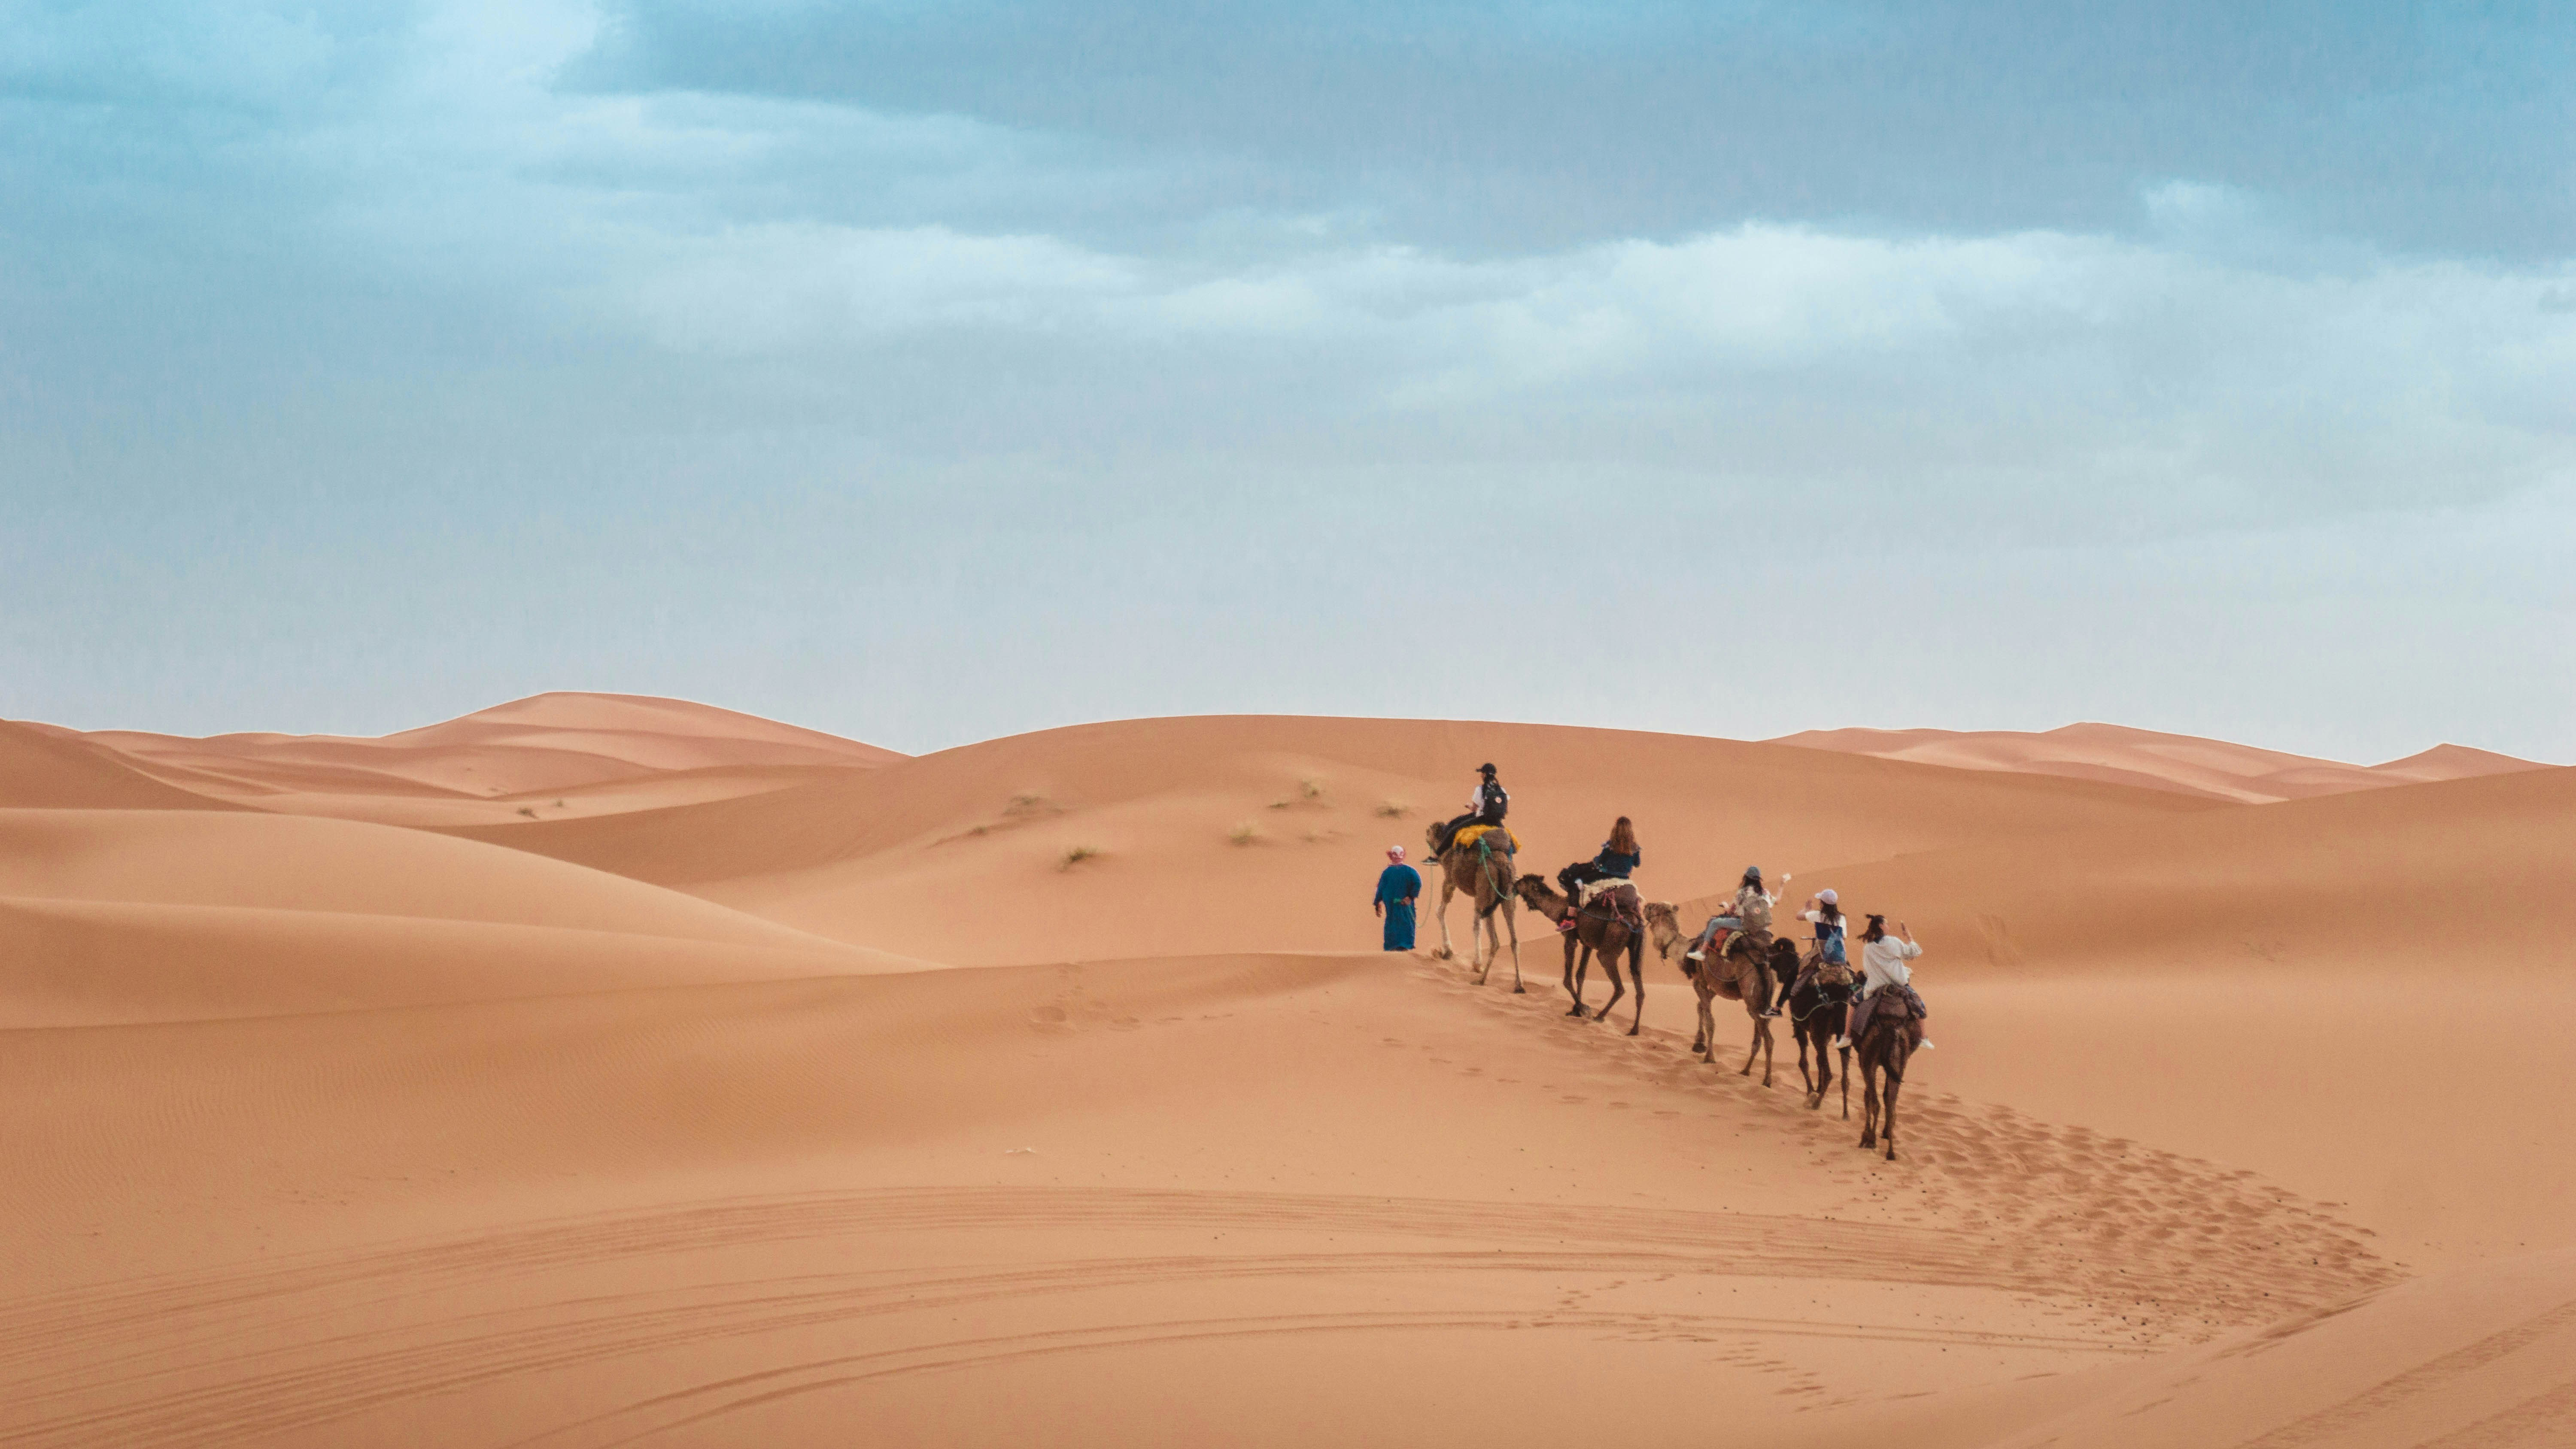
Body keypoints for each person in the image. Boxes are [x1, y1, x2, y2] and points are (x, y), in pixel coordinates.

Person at [1836, 913, 1927, 1049]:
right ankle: (1924, 1038)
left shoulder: (1868, 948)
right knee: (1920, 1005)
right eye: (1886, 924)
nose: (1888, 926)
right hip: (1900, 985)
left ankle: (1847, 1037)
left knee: (1852, 1004)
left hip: (1874, 987)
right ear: (1881, 926)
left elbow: (1867, 971)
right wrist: (1909, 937)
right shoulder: (1894, 942)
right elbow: (1913, 953)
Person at [1555, 817, 1642, 931]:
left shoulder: (1611, 845)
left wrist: (1596, 860)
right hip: (1625, 878)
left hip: (1607, 875)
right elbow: (1637, 864)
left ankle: (1571, 919)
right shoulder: (1635, 847)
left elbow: (1600, 861)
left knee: (1576, 884)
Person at [1688, 865, 1786, 964]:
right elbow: (1777, 901)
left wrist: (1726, 905)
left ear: (1746, 878)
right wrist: (1782, 884)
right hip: (1763, 928)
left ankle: (1702, 952)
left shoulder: (1742, 893)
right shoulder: (1765, 893)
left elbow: (1731, 912)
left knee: (1715, 923)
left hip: (1745, 926)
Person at [1775, 888, 1848, 1011]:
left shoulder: (1817, 915)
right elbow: (1844, 937)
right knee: (1851, 975)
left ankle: (1777, 1007)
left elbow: (1798, 916)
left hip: (1820, 956)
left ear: (1822, 904)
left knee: (1793, 974)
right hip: (1840, 958)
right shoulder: (1842, 918)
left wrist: (1807, 909)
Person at [1428, 763, 1510, 858]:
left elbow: (1475, 810)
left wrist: (1469, 806)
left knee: (1454, 830)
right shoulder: (1502, 790)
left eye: (1482, 773)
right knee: (1509, 841)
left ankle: (1435, 856)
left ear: (1484, 775)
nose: (1481, 775)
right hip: (1497, 822)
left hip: (1483, 819)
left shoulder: (1481, 789)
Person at [1373, 846, 1423, 952]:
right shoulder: (1410, 871)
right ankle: (1406, 946)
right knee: (1407, 923)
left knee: (1393, 924)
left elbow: (1380, 889)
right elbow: (1418, 883)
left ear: (1392, 856)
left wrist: (1377, 904)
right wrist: (1410, 897)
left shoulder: (1387, 872)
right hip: (1404, 906)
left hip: (1394, 907)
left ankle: (1395, 947)